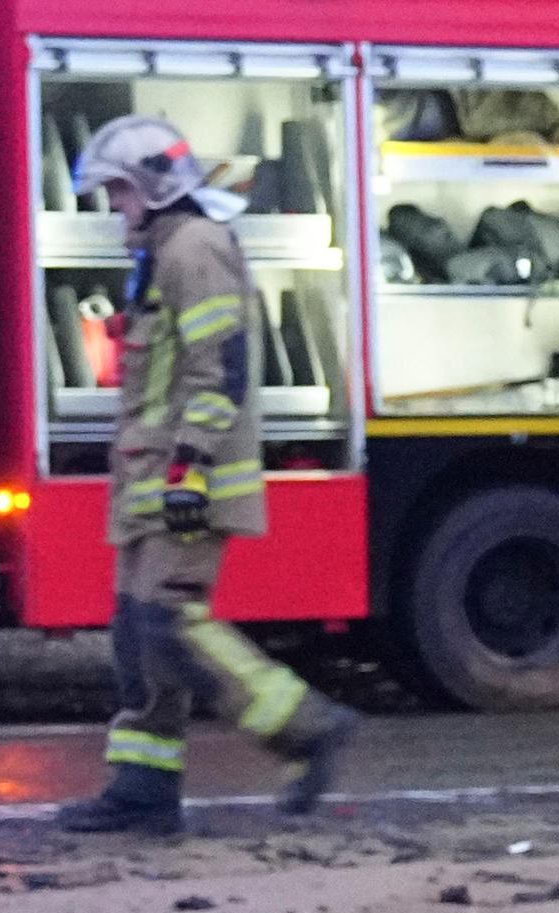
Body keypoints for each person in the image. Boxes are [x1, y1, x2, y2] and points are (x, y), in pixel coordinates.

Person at [57, 113, 355, 832]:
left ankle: (307, 728)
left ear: (154, 186)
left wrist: (189, 466)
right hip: (150, 481)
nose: (114, 207)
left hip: (181, 481)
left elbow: (219, 369)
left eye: (120, 192)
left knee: (170, 624)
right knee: (139, 637)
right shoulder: (163, 251)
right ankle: (143, 789)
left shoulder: (194, 248)